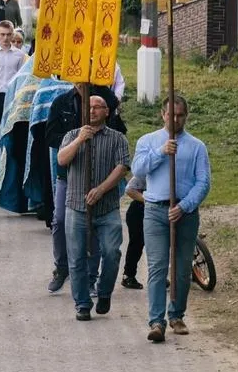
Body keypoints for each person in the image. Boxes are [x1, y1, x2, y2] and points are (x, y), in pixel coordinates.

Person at [132, 95, 211, 342]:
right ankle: (157, 321)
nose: (175, 120)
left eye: (180, 115)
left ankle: (176, 314)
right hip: (155, 210)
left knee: (182, 266)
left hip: (185, 213)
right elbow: (137, 169)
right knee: (157, 265)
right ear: (162, 114)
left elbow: (203, 182)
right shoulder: (148, 141)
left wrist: (185, 206)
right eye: (171, 115)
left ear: (186, 116)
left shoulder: (197, 146)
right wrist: (161, 152)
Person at [58, 94, 130, 321]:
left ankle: (104, 291)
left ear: (107, 111)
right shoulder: (72, 135)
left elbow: (122, 166)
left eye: (97, 107)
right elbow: (62, 160)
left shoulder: (117, 138)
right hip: (76, 206)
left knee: (112, 252)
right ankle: (82, 303)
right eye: (88, 107)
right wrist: (80, 140)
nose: (92, 111)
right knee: (77, 257)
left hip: (107, 207)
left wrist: (101, 189)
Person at [122, 174, 147, 290]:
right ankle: (128, 276)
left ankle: (159, 275)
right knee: (137, 243)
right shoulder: (145, 171)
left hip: (150, 211)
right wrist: (149, 200)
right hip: (138, 211)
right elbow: (129, 189)